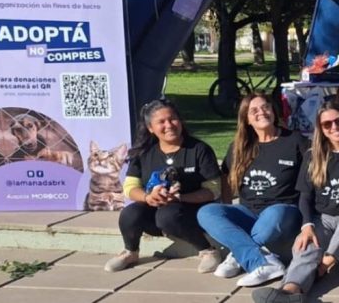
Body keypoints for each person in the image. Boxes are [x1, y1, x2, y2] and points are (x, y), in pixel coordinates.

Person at [252, 102, 339, 303]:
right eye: (327, 124)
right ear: (321, 129)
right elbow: (305, 196)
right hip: (324, 217)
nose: (335, 127)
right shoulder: (313, 155)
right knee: (306, 246)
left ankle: (326, 262)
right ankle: (290, 292)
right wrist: (307, 225)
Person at [197, 93, 306, 287]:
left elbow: (310, 179)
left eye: (266, 107)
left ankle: (241, 254)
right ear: (246, 119)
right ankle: (257, 258)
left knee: (273, 214)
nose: (261, 113)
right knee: (207, 213)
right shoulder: (239, 147)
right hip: (249, 212)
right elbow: (226, 180)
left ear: (273, 110)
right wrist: (228, 211)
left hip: (284, 211)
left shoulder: (294, 140)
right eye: (254, 110)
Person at [104, 99, 222, 273]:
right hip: (156, 211)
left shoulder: (199, 149)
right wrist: (148, 197)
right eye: (161, 122)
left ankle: (208, 250)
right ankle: (130, 252)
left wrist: (180, 197)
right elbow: (130, 187)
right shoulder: (143, 152)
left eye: (172, 119)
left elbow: (213, 190)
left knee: (168, 215)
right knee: (130, 213)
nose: (169, 125)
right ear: (151, 128)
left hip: (191, 212)